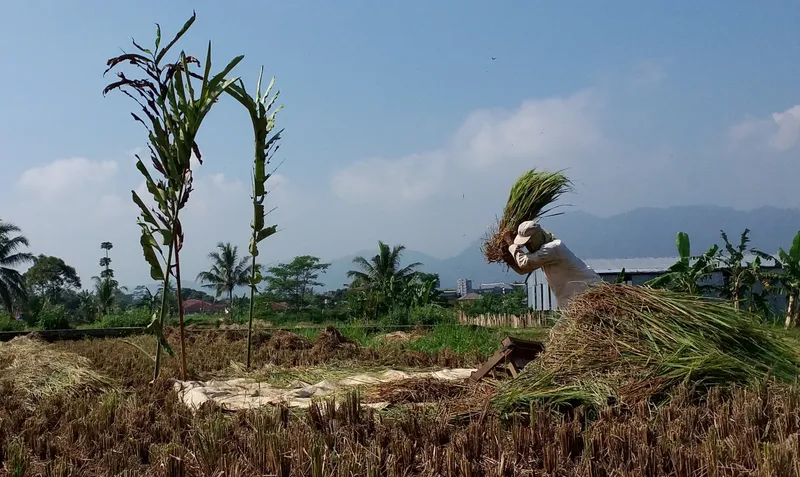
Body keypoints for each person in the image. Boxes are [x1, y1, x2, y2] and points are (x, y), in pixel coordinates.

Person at [502, 220, 602, 310]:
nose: (527, 247)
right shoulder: (543, 253)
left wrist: (510, 243)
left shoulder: (553, 248)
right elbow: (522, 270)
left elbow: (524, 263)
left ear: (536, 238)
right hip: (574, 302)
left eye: (528, 243)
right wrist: (507, 257)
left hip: (589, 295)